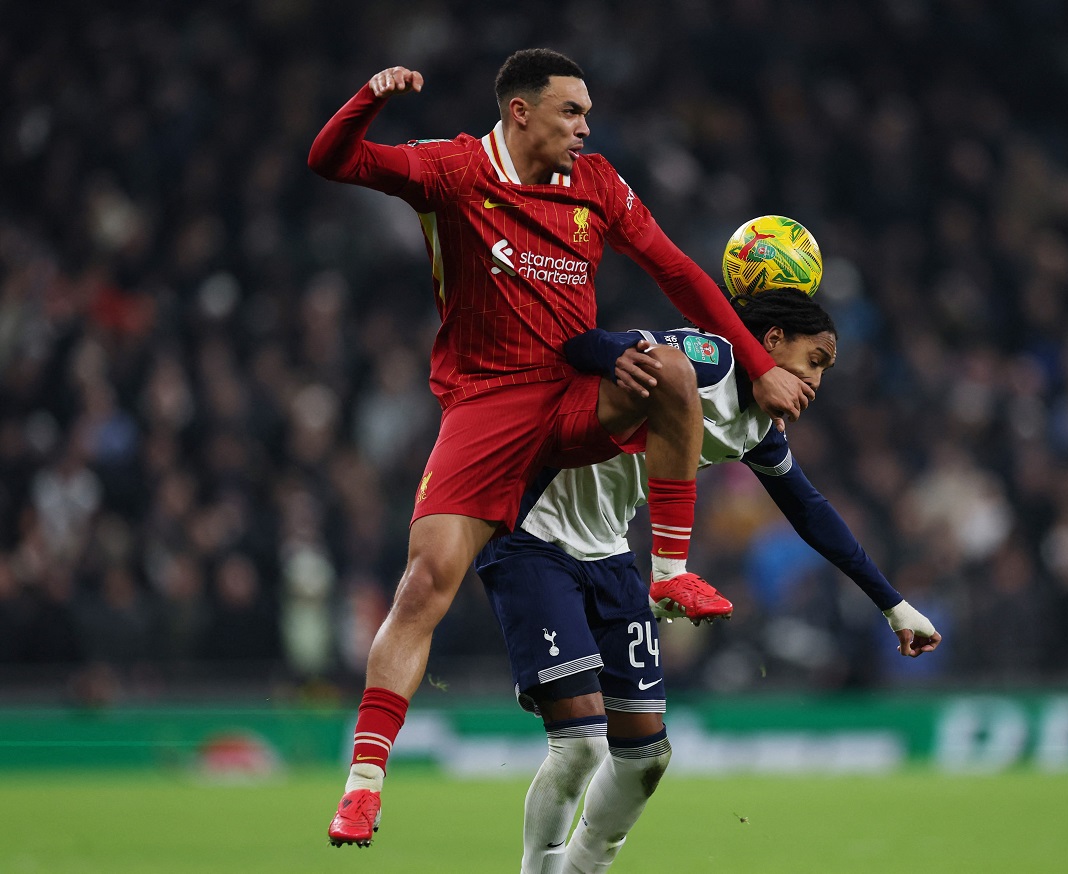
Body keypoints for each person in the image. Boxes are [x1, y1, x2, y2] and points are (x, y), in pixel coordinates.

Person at [308, 49, 814, 846]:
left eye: (586, 114)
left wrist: (757, 364)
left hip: (578, 392)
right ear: (520, 111)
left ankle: (672, 572)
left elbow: (679, 271)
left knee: (675, 374)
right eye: (571, 112)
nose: (585, 127)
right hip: (485, 404)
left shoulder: (599, 184)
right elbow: (331, 159)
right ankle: (365, 780)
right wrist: (369, 97)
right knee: (426, 580)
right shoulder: (452, 172)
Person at [475, 290, 941, 873]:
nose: (817, 382)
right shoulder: (708, 360)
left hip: (611, 551)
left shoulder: (757, 428)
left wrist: (893, 605)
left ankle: (580, 870)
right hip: (535, 534)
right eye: (814, 360)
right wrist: (611, 353)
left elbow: (811, 511)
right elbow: (580, 344)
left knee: (646, 755)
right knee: (581, 745)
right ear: (770, 342)